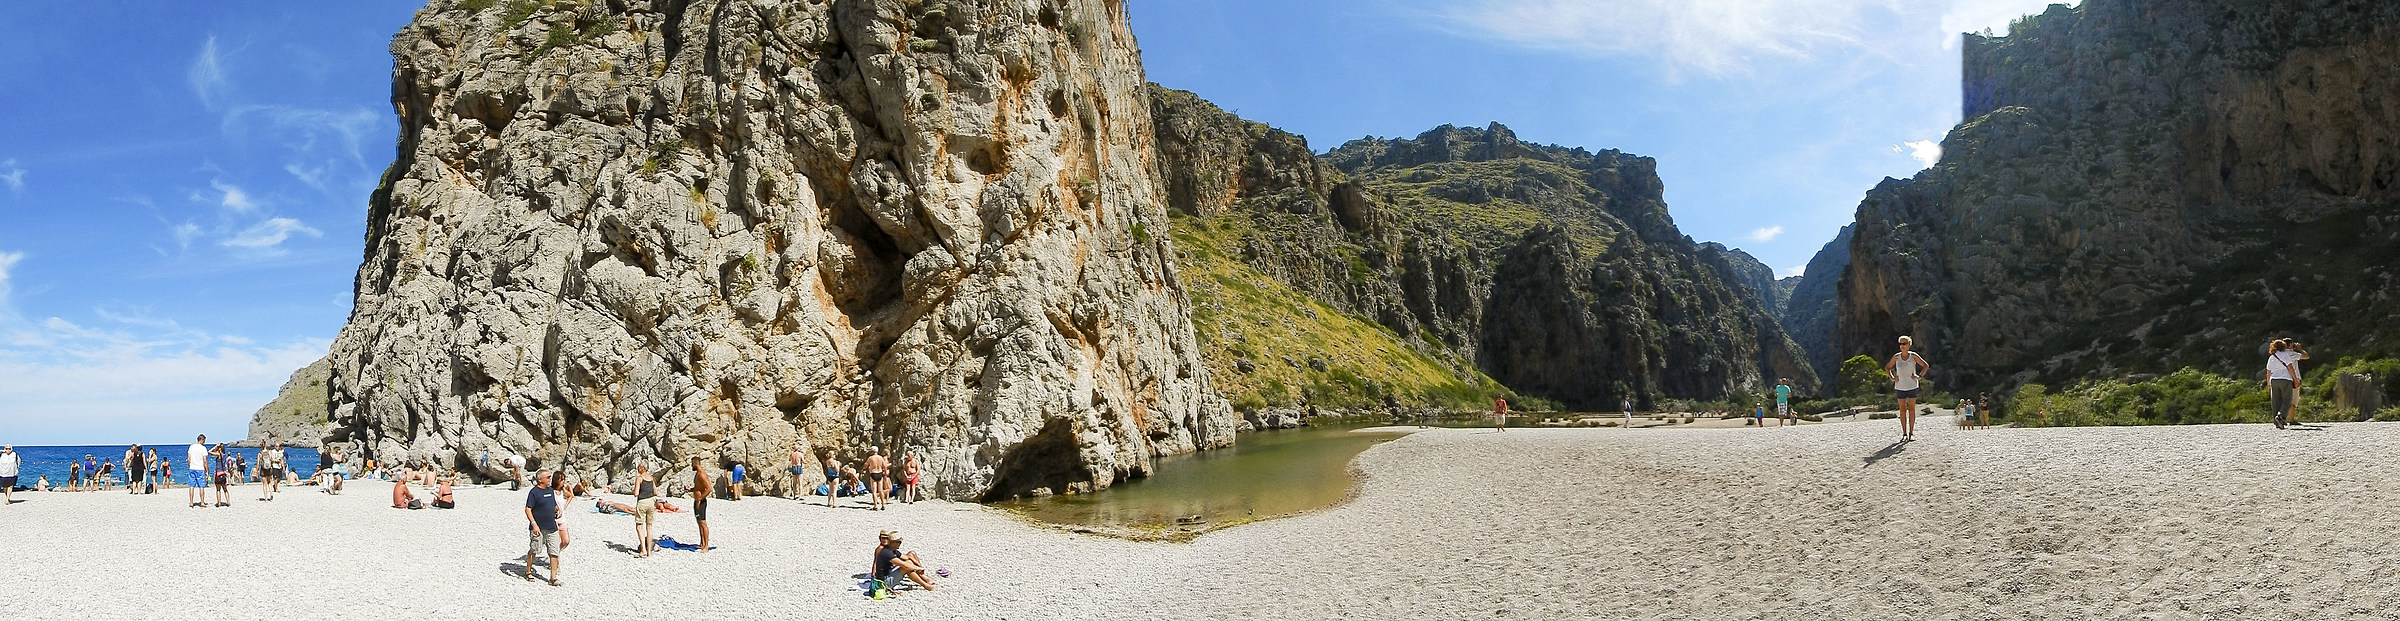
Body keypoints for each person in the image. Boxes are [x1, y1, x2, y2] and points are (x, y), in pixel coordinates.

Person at [1884, 336, 1930, 440]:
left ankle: (1911, 433)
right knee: (1902, 411)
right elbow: (1888, 367)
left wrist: (1920, 376)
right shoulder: (1896, 357)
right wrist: (1891, 378)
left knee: (1912, 410)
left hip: (1912, 386)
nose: (1902, 346)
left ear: (1909, 345)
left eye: (1904, 343)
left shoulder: (1913, 356)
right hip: (1900, 386)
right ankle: (1904, 433)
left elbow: (1925, 365)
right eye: (1900, 344)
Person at [523, 470, 563, 586]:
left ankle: (553, 578)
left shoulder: (550, 491)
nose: (550, 479)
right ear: (540, 480)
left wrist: (557, 510)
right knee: (535, 549)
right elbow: (528, 509)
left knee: (554, 552)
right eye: (548, 477)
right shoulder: (534, 492)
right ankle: (528, 571)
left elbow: (553, 504)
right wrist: (534, 524)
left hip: (552, 527)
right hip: (538, 528)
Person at [2268, 339, 2309, 429]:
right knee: (2287, 400)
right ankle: (2281, 416)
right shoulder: (2287, 354)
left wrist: (2268, 384)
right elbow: (2290, 367)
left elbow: (2268, 371)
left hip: (2274, 379)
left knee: (2275, 401)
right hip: (2286, 379)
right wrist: (2295, 379)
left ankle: (2276, 421)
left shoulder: (2272, 357)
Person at [633, 462, 659, 558]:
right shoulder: (651, 478)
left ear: (642, 468)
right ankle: (649, 552)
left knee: (639, 526)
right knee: (649, 527)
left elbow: (636, 493)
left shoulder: (639, 478)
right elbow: (656, 492)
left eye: (639, 466)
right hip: (652, 502)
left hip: (642, 502)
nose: (637, 468)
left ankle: (643, 550)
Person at [690, 457, 713, 553]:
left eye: (692, 464)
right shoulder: (697, 474)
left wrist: (700, 498)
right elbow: (698, 487)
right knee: (699, 522)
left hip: (701, 502)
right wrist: (691, 490)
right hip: (696, 501)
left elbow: (709, 489)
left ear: (695, 463)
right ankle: (702, 543)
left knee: (703, 523)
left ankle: (706, 546)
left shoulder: (702, 474)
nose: (691, 465)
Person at [187, 435, 212, 508]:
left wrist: (190, 466)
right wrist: (207, 470)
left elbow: (188, 459)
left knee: (191, 486)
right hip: (200, 468)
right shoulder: (203, 448)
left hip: (192, 468)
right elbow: (205, 461)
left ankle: (191, 502)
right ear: (202, 440)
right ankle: (202, 502)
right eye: (204, 440)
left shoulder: (191, 447)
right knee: (201, 486)